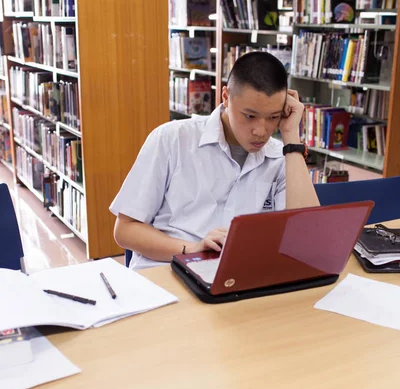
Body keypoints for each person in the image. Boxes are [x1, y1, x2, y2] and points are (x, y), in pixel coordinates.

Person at [110, 51, 319, 270]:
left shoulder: (281, 156)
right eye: (250, 116)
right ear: (226, 97)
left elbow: (308, 240)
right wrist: (191, 250)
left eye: (273, 117)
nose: (261, 131)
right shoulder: (172, 139)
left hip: (241, 279)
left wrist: (291, 138)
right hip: (167, 272)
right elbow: (125, 230)